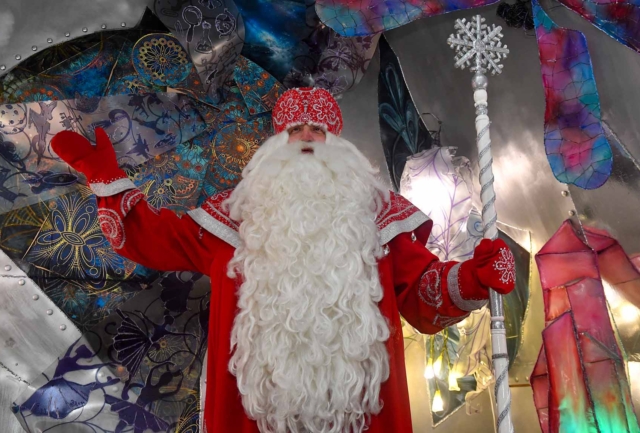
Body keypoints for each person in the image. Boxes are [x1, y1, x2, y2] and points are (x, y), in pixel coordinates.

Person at [52, 87, 515, 433]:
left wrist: (475, 276)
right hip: (254, 415)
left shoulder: (380, 221)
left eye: (319, 132)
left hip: (361, 414)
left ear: (340, 148)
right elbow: (154, 239)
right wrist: (105, 176)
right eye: (295, 131)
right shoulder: (231, 220)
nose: (307, 138)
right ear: (275, 146)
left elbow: (423, 292)